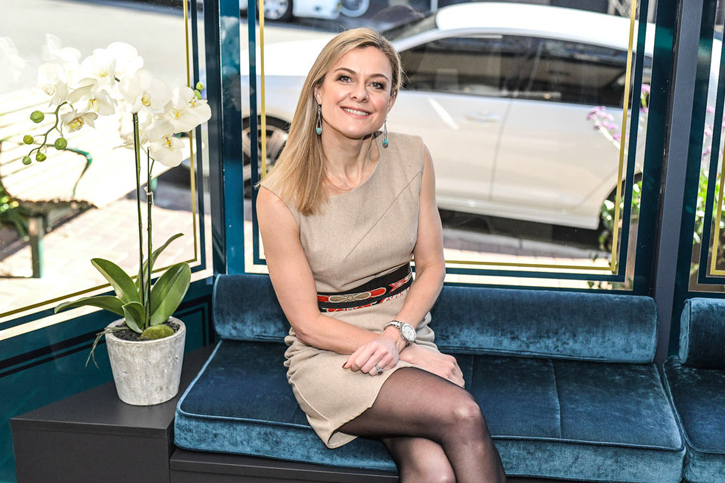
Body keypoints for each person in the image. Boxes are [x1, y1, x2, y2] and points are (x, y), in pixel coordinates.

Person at [256, 27, 506, 483]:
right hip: (331, 351)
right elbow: (307, 324)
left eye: (376, 84)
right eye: (345, 78)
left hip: (404, 328)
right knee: (462, 413)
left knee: (434, 471)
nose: (360, 94)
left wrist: (399, 339)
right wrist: (403, 356)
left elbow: (431, 266)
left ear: (390, 100)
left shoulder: (413, 156)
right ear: (319, 90)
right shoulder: (278, 196)